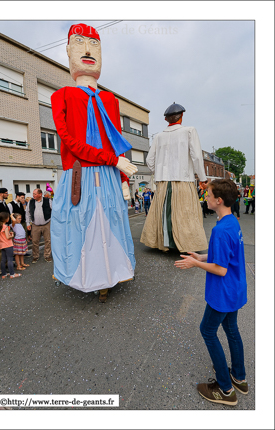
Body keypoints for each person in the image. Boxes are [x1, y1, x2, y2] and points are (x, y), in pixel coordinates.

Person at [50, 23, 138, 303]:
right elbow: (69, 142)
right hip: (81, 175)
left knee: (111, 224)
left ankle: (112, 274)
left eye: (95, 43)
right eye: (79, 42)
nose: (88, 49)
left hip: (110, 175)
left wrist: (123, 180)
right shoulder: (60, 96)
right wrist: (115, 162)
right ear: (67, 51)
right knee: (80, 227)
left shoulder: (110, 99)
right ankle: (84, 277)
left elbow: (116, 139)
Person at [175, 179, 248, 406]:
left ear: (218, 200)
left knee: (207, 331)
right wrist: (202, 257)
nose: (205, 198)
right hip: (235, 290)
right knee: (231, 329)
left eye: (208, 196)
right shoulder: (232, 223)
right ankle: (239, 377)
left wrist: (195, 264)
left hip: (223, 294)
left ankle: (225, 389)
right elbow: (226, 256)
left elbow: (221, 269)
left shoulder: (219, 230)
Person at [141, 102, 208, 253]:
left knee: (163, 212)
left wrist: (158, 172)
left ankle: (164, 243)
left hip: (163, 182)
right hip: (183, 180)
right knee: (185, 213)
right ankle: (186, 245)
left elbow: (149, 161)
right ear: (182, 116)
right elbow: (197, 157)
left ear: (166, 120)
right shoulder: (189, 131)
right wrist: (202, 179)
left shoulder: (158, 136)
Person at [26, 188, 52, 263]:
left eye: (35, 194)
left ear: (40, 194)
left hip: (46, 224)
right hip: (35, 225)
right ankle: (35, 256)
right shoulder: (30, 202)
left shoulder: (48, 201)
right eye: (33, 194)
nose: (33, 195)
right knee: (35, 241)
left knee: (48, 240)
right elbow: (27, 213)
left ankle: (47, 256)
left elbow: (54, 210)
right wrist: (28, 223)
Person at [0, 212, 21, 279]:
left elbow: (2, 236)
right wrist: (12, 235)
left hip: (2, 245)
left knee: (3, 260)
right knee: (10, 259)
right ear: (6, 219)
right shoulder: (5, 227)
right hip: (8, 245)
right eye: (8, 217)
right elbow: (7, 237)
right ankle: (12, 274)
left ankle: (4, 274)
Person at [0, 188, 10, 275]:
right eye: (6, 193)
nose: (7, 194)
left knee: (5, 245)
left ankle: (5, 264)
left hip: (4, 226)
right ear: (1, 194)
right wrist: (0, 221)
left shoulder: (3, 202)